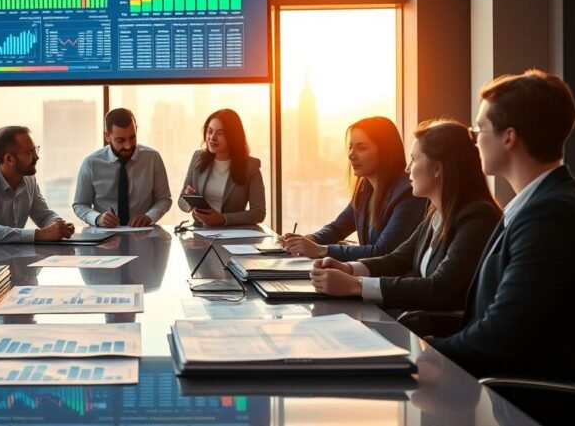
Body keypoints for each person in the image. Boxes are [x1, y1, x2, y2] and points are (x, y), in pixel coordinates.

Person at [429, 70, 575, 386]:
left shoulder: (553, 216)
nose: (474, 141)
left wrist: (418, 352)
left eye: (478, 130)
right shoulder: (535, 206)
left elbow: (502, 336)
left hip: (523, 401)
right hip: (497, 384)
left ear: (509, 137)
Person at [309, 119, 501, 314]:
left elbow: (440, 288)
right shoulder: (436, 214)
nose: (408, 168)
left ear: (437, 169)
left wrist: (356, 285)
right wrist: (348, 269)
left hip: (443, 336)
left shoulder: (477, 218)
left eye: (414, 160)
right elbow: (397, 259)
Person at [282, 116, 426, 261]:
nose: (351, 155)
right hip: (366, 277)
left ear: (385, 151)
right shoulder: (365, 188)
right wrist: (308, 240)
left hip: (388, 281)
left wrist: (321, 250)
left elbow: (383, 251)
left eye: (361, 148)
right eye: (350, 147)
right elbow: (337, 228)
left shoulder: (408, 193)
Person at [0, 126, 75, 243]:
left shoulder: (28, 178)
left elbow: (43, 216)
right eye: (29, 153)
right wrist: (40, 234)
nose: (36, 157)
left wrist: (59, 226)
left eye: (35, 150)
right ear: (9, 159)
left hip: (17, 255)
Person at [73, 108, 172, 227]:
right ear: (107, 136)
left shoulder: (153, 158)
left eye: (132, 137)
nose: (128, 145)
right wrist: (98, 218)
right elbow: (80, 204)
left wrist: (149, 216)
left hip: (143, 234)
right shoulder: (91, 163)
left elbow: (164, 199)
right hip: (104, 236)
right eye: (120, 140)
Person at [178, 108, 266, 226]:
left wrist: (223, 219)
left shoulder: (251, 166)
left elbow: (259, 213)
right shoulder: (198, 158)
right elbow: (181, 203)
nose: (212, 138)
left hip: (234, 235)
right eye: (209, 131)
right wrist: (189, 199)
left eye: (220, 133)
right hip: (201, 232)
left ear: (233, 136)